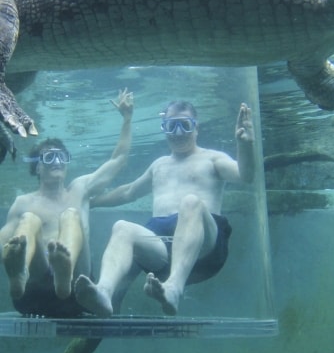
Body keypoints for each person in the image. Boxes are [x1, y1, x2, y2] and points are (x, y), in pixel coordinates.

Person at [75, 100, 254, 317]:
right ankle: (104, 293)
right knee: (122, 227)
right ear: (164, 129)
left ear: (196, 128)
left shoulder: (213, 159)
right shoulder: (159, 165)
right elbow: (128, 191)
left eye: (184, 125)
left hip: (205, 247)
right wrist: (92, 201)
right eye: (171, 126)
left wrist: (245, 145)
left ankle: (174, 288)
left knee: (191, 202)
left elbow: (245, 175)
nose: (178, 132)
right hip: (161, 252)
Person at [0, 89, 134, 317]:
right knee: (29, 220)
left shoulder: (80, 189)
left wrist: (127, 119)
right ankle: (20, 273)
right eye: (50, 157)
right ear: (37, 167)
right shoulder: (23, 202)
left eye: (62, 157)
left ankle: (65, 271)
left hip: (77, 290)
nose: (57, 162)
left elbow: (118, 160)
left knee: (71, 215)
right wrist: (10, 254)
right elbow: (4, 240)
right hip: (35, 291)